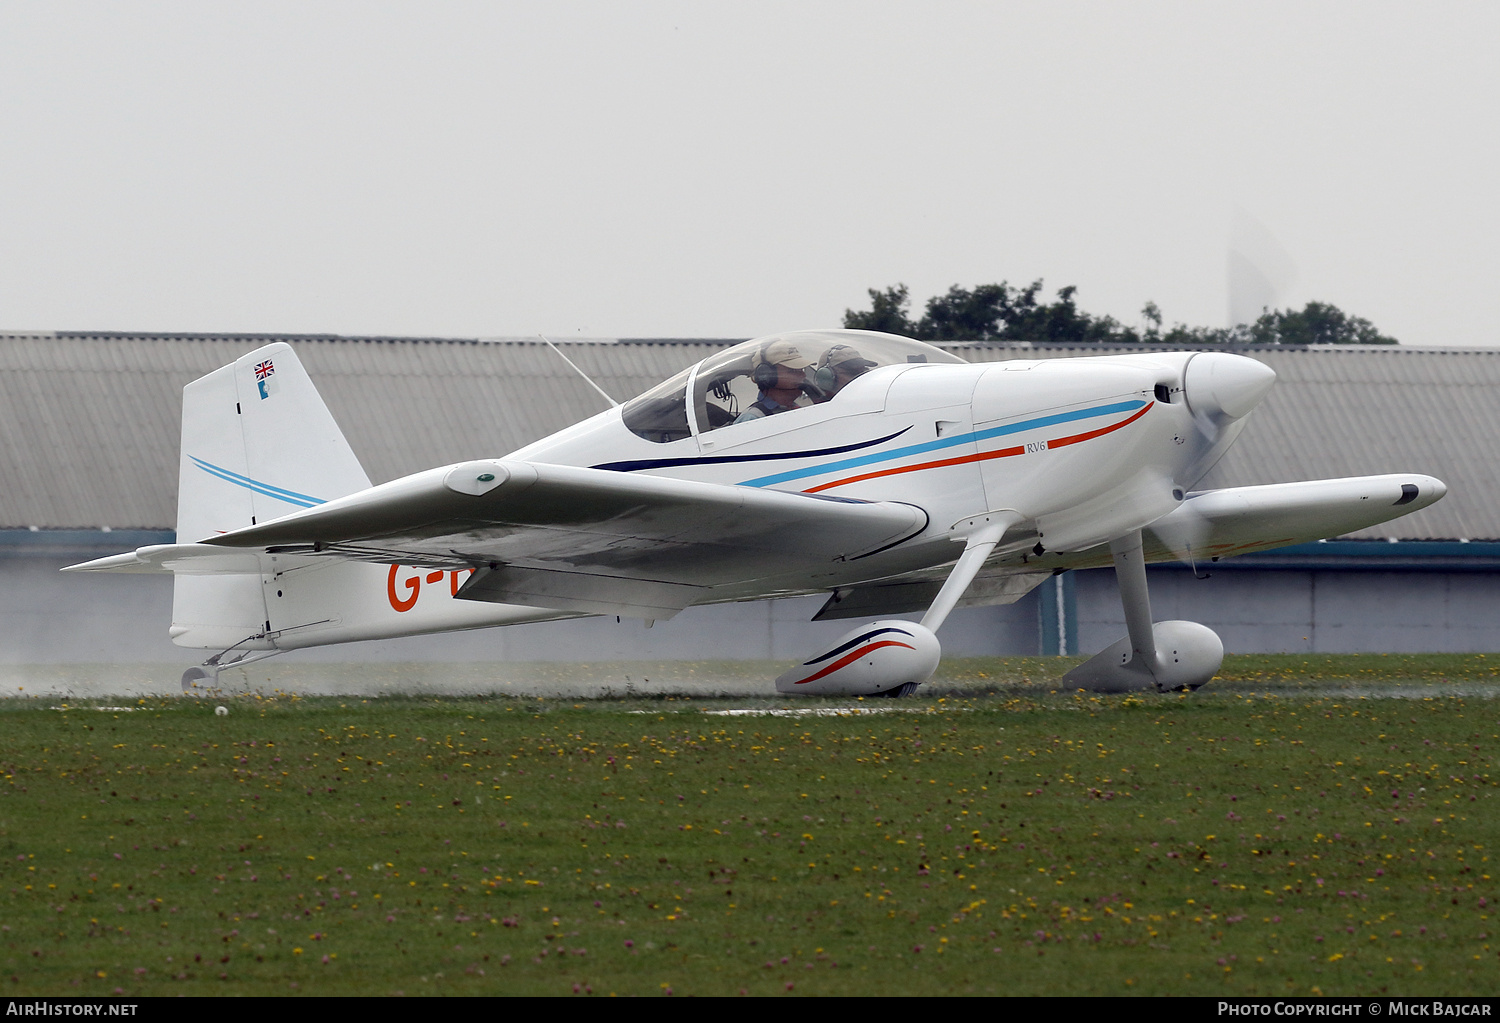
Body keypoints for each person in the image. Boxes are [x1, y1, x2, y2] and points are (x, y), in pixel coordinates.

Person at [733, 339, 818, 423]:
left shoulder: (797, 412)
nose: (803, 375)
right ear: (766, 375)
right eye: (793, 371)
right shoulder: (752, 419)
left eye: (801, 370)